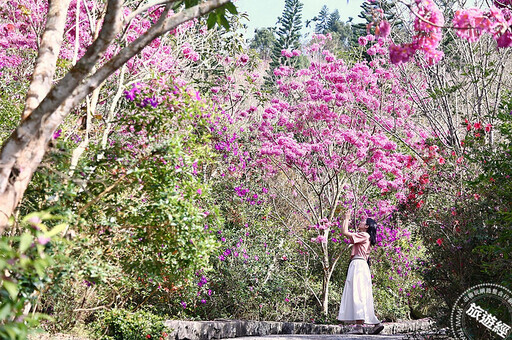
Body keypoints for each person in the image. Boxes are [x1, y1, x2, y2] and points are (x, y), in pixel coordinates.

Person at [337, 210, 384, 335]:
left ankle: (364, 325)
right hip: (359, 265)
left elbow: (344, 232)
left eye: (363, 221)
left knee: (358, 293)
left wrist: (346, 218)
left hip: (358, 265)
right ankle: (368, 324)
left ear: (367, 226)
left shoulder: (365, 235)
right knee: (360, 294)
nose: (361, 222)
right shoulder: (365, 236)